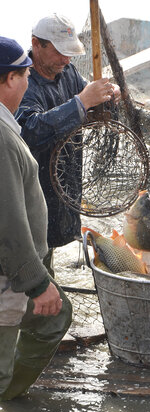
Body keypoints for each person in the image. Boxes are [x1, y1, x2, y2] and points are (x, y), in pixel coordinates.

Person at [16, 13, 120, 271]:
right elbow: (28, 130)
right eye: (60, 52)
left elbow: (89, 94)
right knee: (33, 265)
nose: (66, 59)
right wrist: (82, 102)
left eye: (70, 53)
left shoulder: (68, 71)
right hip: (31, 195)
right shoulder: (21, 81)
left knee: (48, 254)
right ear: (36, 44)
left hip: (63, 191)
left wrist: (107, 93)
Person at [0, 36, 72, 401]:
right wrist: (36, 282)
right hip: (7, 275)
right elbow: (7, 221)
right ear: (10, 79)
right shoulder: (1, 136)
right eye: (26, 74)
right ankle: (8, 394)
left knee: (56, 316)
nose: (29, 83)